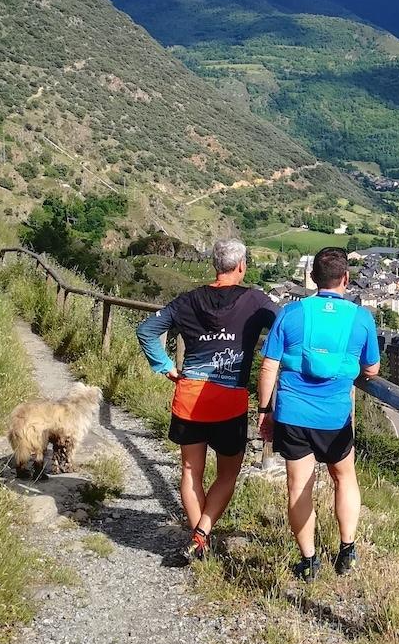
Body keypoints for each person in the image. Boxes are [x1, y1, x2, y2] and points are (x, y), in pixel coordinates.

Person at [136, 239, 275, 563]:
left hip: (189, 398)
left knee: (190, 471)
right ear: (241, 266)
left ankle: (199, 540)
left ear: (215, 265)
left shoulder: (187, 300)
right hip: (229, 402)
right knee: (227, 474)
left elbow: (146, 331)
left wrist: (165, 366)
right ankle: (202, 534)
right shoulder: (255, 300)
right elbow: (286, 326)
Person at [258, 246, 380, 581]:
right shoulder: (361, 318)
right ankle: (347, 549)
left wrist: (264, 410)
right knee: (344, 477)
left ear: (313, 278)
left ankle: (309, 561)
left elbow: (268, 367)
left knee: (299, 486)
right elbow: (372, 368)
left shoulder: (291, 313)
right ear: (346, 278)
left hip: (293, 414)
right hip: (335, 417)